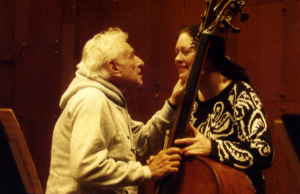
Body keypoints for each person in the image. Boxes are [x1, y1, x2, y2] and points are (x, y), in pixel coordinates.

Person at [46, 27, 184, 194]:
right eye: (132, 56)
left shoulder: (108, 101)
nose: (140, 62)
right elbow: (86, 166)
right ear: (114, 67)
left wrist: (172, 104)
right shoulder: (92, 99)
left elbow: (141, 142)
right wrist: (148, 171)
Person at [173, 24, 274, 194]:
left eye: (185, 52)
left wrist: (213, 147)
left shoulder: (240, 93)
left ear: (208, 56)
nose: (177, 58)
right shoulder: (189, 99)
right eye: (176, 52)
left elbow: (264, 152)